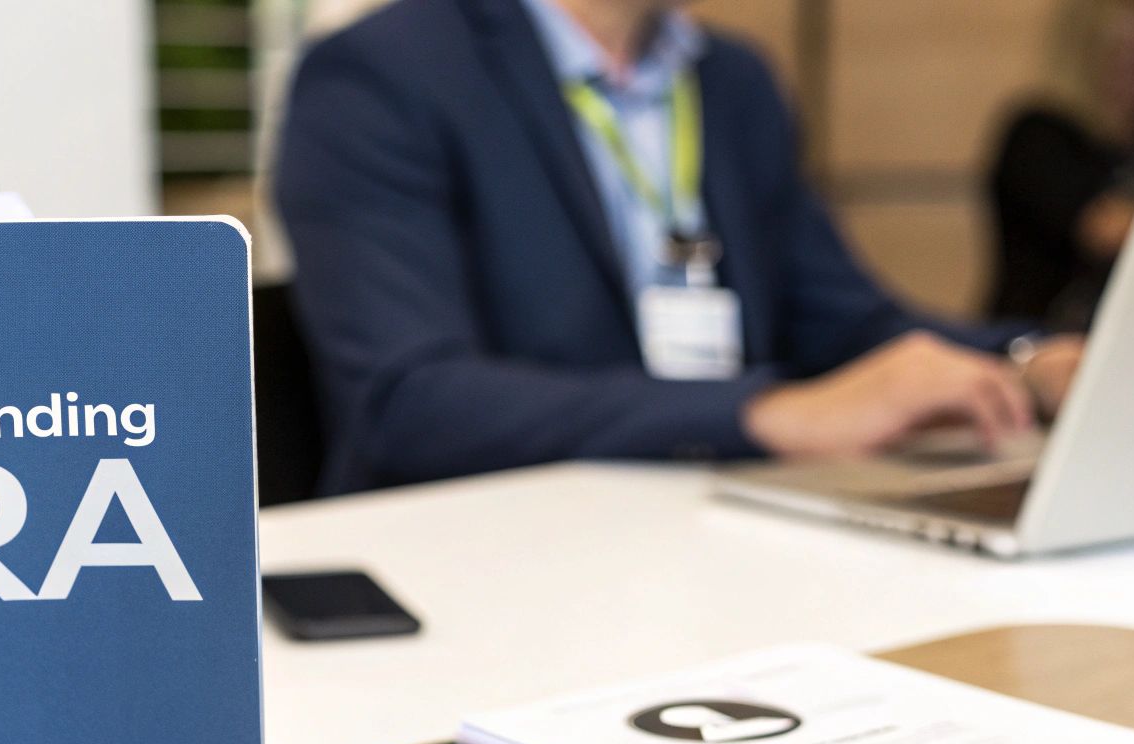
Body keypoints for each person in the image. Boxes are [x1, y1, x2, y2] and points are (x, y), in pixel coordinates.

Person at [275, 0, 1083, 493]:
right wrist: (763, 413)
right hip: (489, 561)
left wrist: (1025, 358)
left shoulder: (733, 80)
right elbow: (409, 401)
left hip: (718, 526)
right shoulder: (383, 73)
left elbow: (845, 320)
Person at [986, 0, 1134, 332]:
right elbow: (1102, 229)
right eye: (1118, 56)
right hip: (1043, 333)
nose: (1132, 74)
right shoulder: (1040, 134)